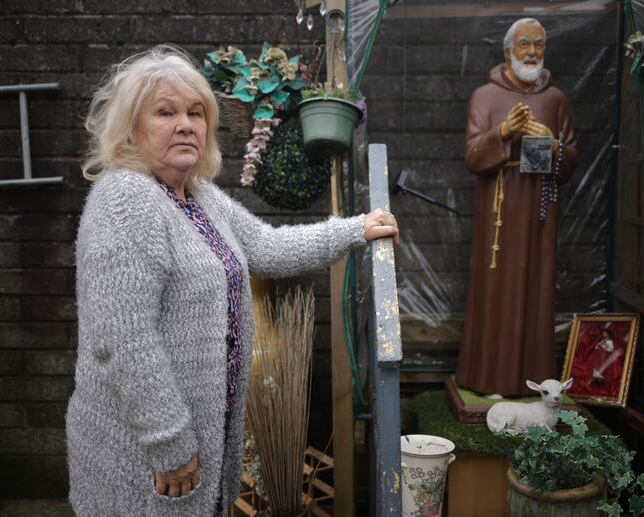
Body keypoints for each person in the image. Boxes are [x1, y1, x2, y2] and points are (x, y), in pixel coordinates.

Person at [65, 45, 399, 517]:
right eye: (166, 112)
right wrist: (169, 442)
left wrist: (355, 229)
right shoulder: (126, 198)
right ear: (131, 128)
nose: (185, 124)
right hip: (142, 450)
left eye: (195, 113)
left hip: (197, 437)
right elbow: (123, 339)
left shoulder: (198, 196)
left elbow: (267, 248)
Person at [455, 18, 578, 397]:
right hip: (499, 208)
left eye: (539, 44)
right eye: (524, 44)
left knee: (535, 288)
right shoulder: (484, 97)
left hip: (539, 211)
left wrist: (553, 145)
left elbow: (571, 160)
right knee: (496, 290)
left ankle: (533, 380)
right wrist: (504, 131)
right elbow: (473, 157)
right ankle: (490, 378)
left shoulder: (555, 100)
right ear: (507, 50)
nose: (532, 52)